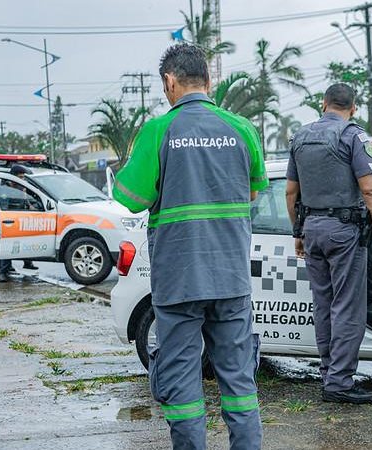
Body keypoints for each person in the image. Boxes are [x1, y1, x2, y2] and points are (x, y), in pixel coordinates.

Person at [113, 43, 268, 450]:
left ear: (169, 82)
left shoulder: (159, 130)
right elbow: (253, 191)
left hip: (180, 278)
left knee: (181, 382)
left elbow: (130, 197)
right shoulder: (242, 128)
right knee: (239, 380)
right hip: (231, 276)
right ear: (209, 79)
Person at [285, 83, 372, 405]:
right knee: (347, 307)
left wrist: (298, 232)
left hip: (313, 229)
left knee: (324, 305)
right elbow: (370, 191)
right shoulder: (353, 136)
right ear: (354, 108)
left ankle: (330, 374)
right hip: (344, 231)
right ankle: (340, 383)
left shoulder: (300, 137)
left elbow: (291, 193)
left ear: (323, 103)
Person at [0, 165, 39, 283]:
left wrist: (31, 207)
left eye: (23, 177)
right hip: (10, 219)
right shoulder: (5, 189)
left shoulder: (21, 187)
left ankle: (28, 263)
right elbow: (4, 207)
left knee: (25, 241)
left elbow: (26, 202)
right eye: (20, 177)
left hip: (22, 217)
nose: (22, 179)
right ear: (13, 177)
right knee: (8, 246)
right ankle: (3, 272)